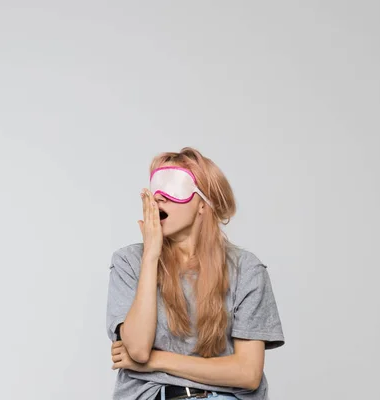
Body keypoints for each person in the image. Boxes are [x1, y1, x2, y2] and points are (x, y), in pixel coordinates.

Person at [106, 147, 285, 400]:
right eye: (156, 187)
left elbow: (248, 372)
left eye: (173, 187)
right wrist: (150, 257)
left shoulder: (246, 269)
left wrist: (158, 360)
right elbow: (137, 350)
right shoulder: (129, 262)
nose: (159, 198)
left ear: (203, 203)